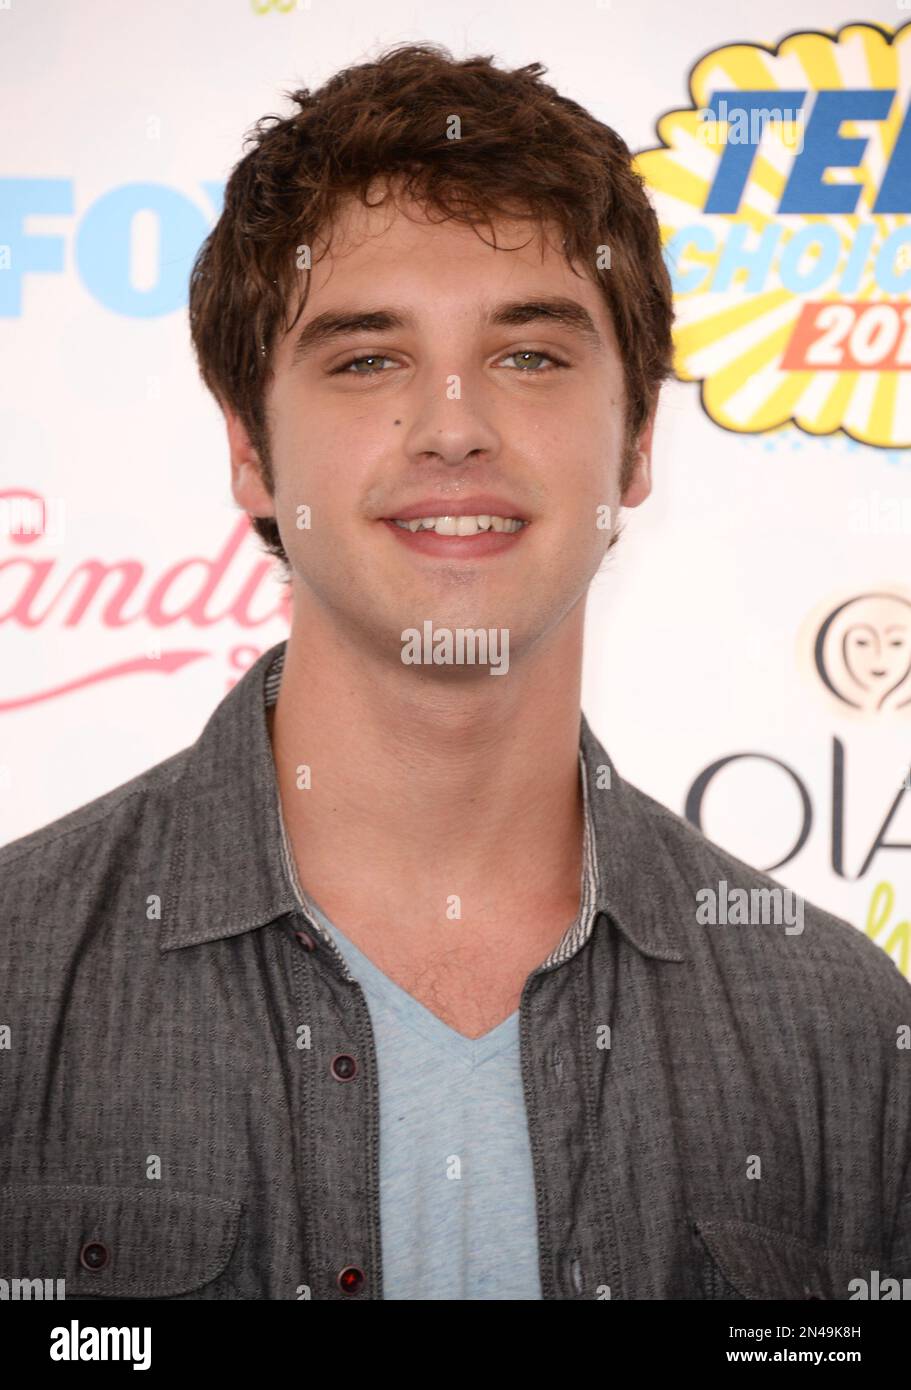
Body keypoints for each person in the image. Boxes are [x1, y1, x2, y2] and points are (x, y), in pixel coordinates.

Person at [1, 42, 909, 1303]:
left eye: (529, 354)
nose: (451, 424)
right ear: (251, 455)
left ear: (636, 438)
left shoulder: (844, 1034)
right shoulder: (18, 973)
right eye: (367, 358)